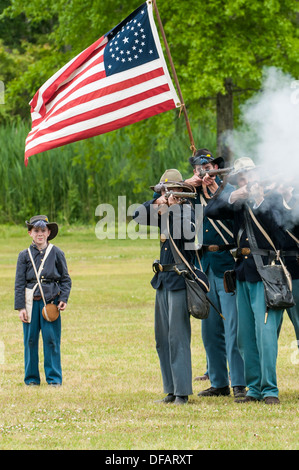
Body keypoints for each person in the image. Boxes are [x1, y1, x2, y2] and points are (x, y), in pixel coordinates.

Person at [205, 157, 287, 404]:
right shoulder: (238, 203)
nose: (245, 180)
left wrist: (260, 199)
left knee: (265, 335)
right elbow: (210, 211)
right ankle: (253, 389)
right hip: (241, 272)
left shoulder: (272, 199)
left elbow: (280, 233)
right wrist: (233, 196)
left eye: (247, 175)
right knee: (245, 336)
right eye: (240, 177)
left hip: (264, 273)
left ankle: (269, 389)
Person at [133, 169, 207, 405]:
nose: (167, 194)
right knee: (162, 339)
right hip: (163, 281)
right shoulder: (162, 209)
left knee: (177, 338)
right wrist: (159, 201)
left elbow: (187, 233)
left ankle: (183, 391)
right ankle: (171, 390)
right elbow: (137, 214)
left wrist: (173, 207)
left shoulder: (189, 211)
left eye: (169, 190)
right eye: (164, 191)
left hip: (179, 280)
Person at [185, 149, 246, 398]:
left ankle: (239, 383)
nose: (207, 171)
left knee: (233, 327)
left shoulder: (229, 192)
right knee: (209, 330)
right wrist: (189, 184)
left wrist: (213, 189)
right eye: (202, 168)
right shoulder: (191, 194)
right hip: (204, 265)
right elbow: (161, 195)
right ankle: (219, 382)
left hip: (227, 263)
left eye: (210, 166)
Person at [15, 215, 72, 386]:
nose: (40, 234)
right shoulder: (23, 255)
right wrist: (21, 308)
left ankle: (54, 379)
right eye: (36, 230)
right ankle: (31, 379)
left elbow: (65, 279)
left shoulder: (57, 252)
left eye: (43, 230)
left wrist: (63, 298)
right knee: (30, 341)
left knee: (51, 340)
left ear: (48, 232)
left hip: (51, 302)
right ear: (30, 233)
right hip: (30, 303)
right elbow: (19, 283)